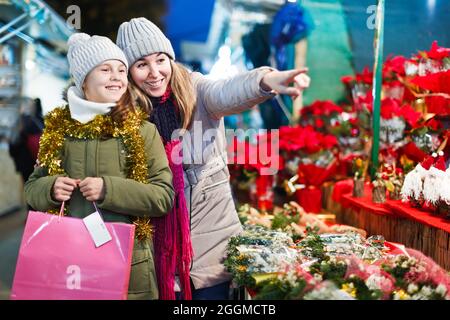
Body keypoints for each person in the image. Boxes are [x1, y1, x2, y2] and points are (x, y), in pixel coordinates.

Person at [116, 17, 311, 300]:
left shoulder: (197, 91)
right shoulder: (126, 118)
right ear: (129, 72)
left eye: (160, 60)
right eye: (141, 64)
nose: (155, 72)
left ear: (170, 58)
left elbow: (229, 91)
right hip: (155, 260)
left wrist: (266, 81)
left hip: (212, 257)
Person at [24, 33, 175, 300]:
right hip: (70, 263)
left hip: (130, 267)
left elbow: (163, 196)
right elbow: (31, 189)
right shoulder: (58, 131)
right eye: (105, 69)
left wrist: (109, 189)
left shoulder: (143, 131)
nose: (117, 77)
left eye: (120, 70)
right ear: (83, 81)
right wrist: (49, 188)